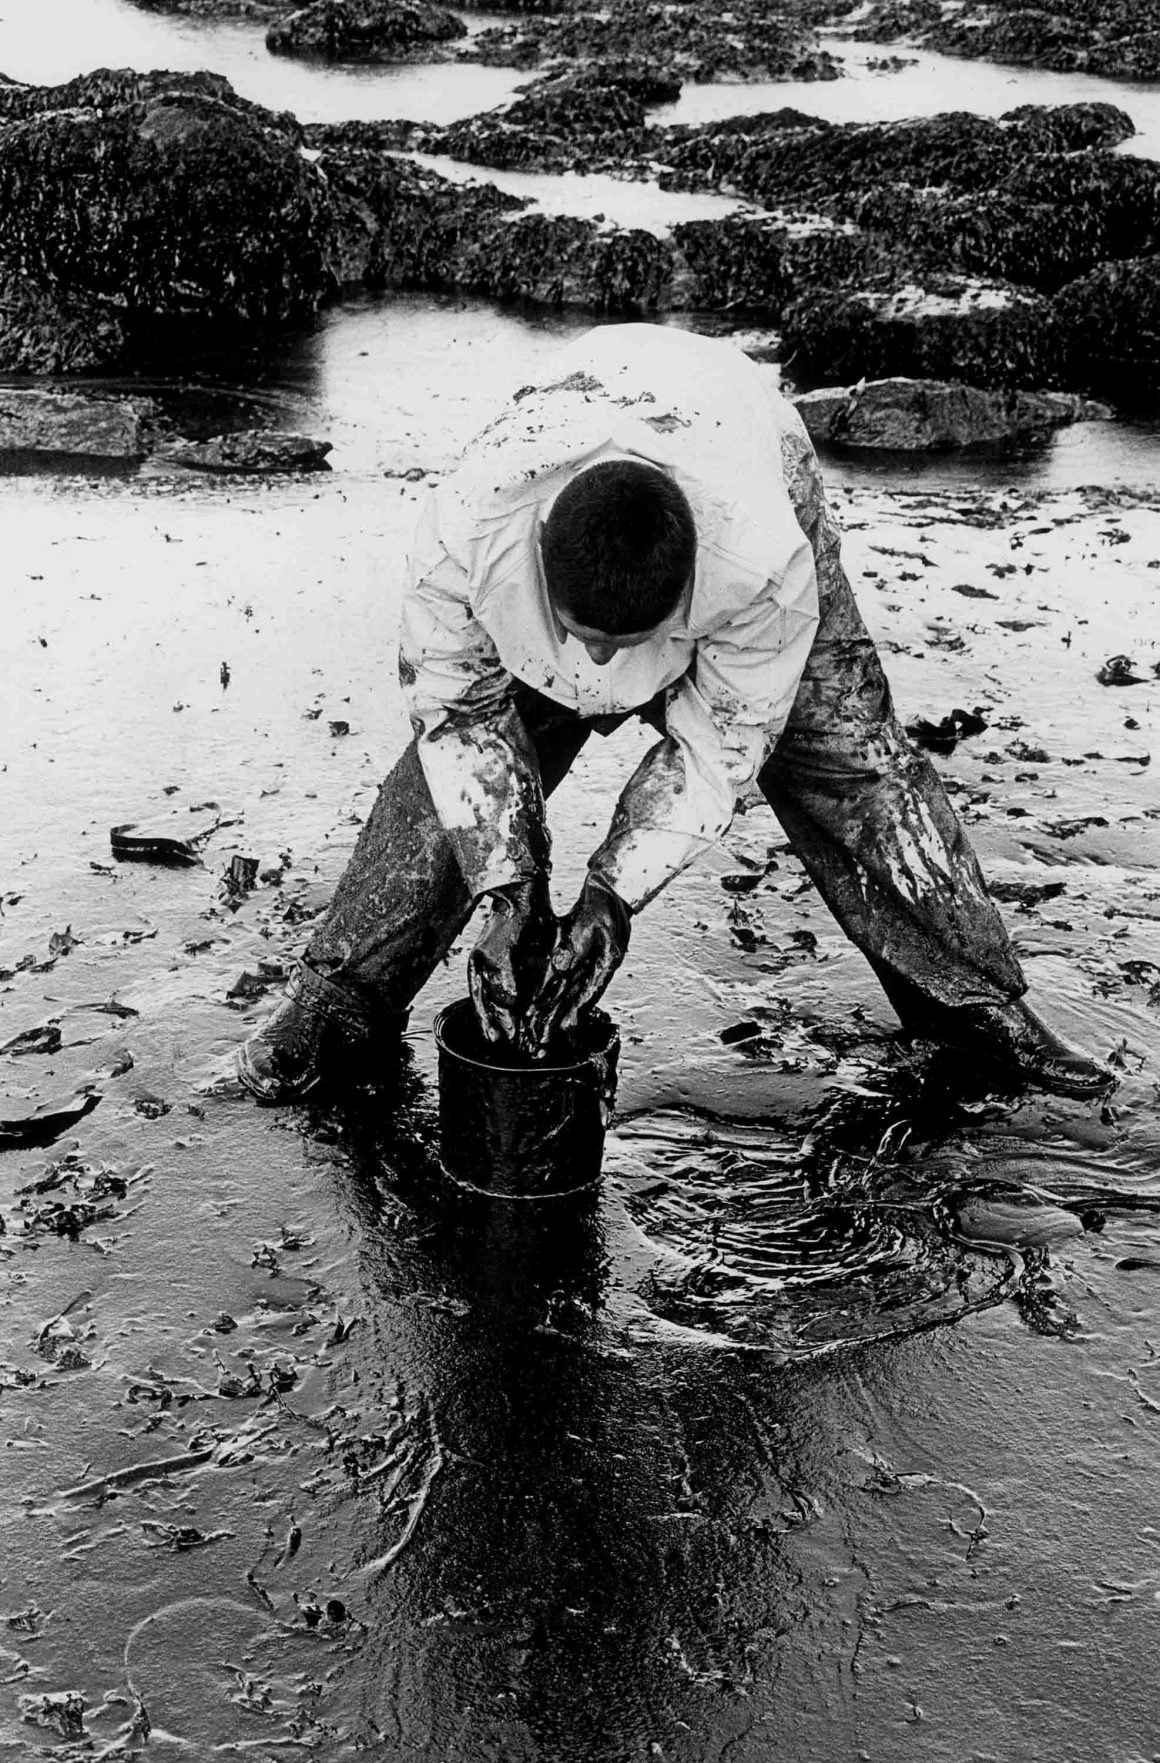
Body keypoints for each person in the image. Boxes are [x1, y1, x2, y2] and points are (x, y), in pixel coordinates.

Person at [238, 324, 1109, 1101]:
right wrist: (508, 887)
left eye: (635, 647)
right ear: (539, 569)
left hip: (746, 441)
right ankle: (334, 1003)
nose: (609, 671)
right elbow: (459, 719)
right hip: (583, 420)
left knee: (851, 764)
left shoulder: (763, 564)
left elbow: (722, 742)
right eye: (587, 643)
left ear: (690, 599)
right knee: (448, 789)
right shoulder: (463, 541)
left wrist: (612, 897)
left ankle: (979, 1008)